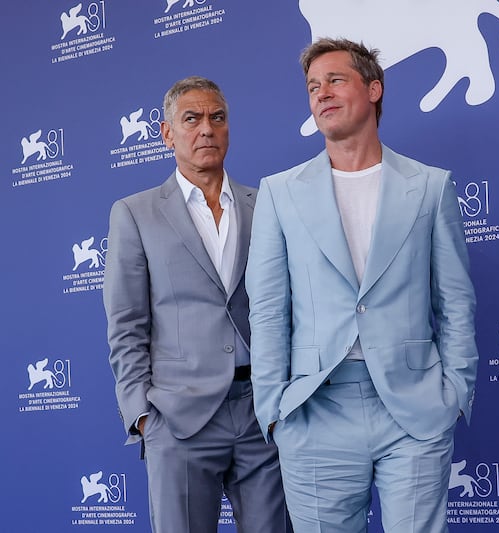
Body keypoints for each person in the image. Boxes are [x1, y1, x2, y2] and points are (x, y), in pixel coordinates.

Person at [246, 38, 478, 532]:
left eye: (335, 80)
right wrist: (274, 409)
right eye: (313, 86)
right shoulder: (280, 192)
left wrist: (455, 392)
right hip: (314, 409)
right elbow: (267, 309)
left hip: (413, 408)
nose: (322, 93)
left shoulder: (431, 186)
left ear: (374, 89)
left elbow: (454, 301)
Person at [104, 76, 290, 533]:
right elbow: (126, 324)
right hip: (179, 419)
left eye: (217, 118)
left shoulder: (265, 205)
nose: (206, 129)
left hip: (260, 416)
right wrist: (143, 415)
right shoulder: (135, 213)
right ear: (167, 134)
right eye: (192, 119)